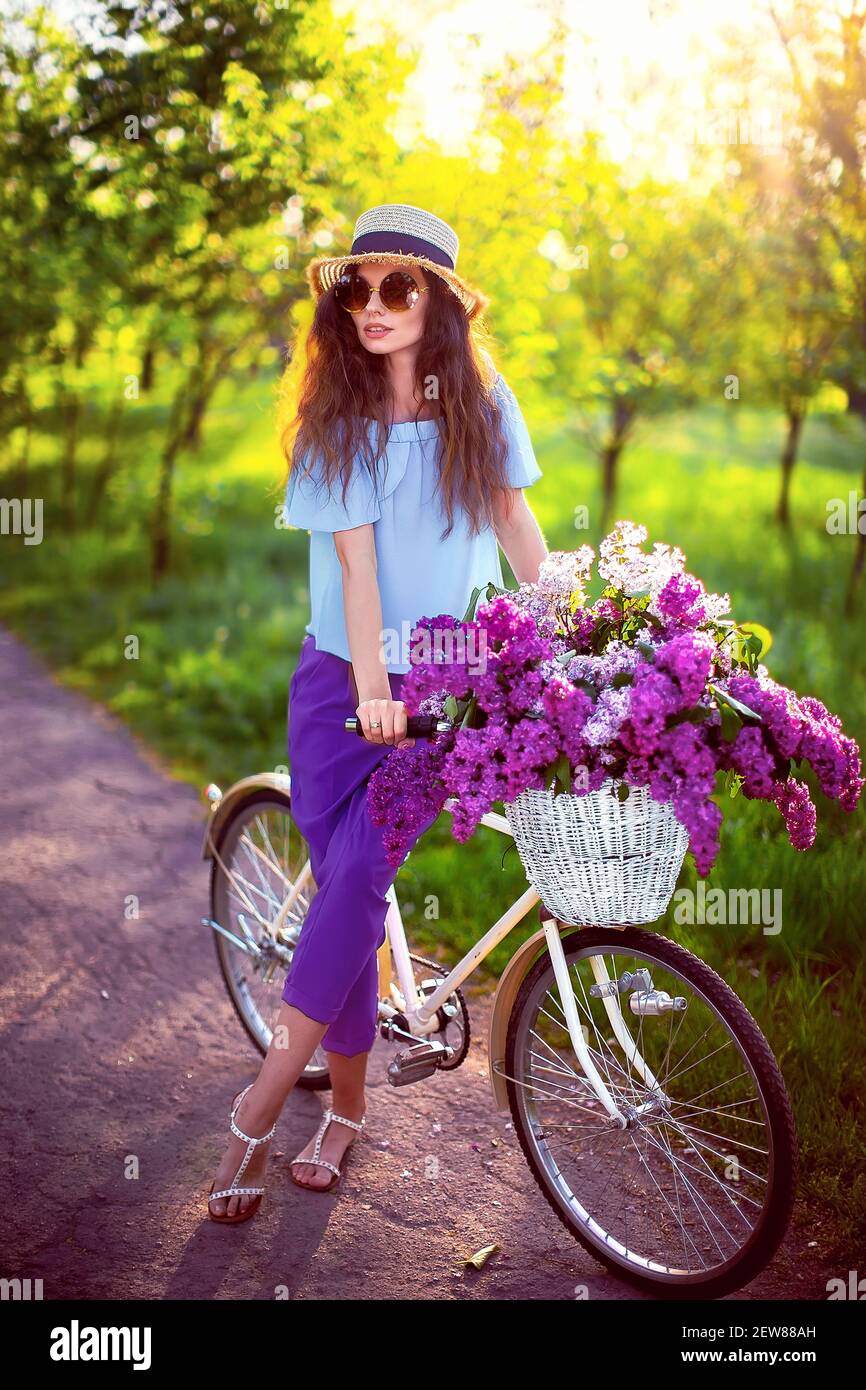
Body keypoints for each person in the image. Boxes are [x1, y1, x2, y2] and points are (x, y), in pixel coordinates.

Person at [207, 202, 548, 1222]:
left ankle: (258, 1108)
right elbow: (357, 577)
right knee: (347, 901)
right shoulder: (335, 419)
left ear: (439, 302)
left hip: (445, 682)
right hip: (339, 688)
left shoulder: (481, 409)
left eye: (397, 286)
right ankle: (345, 1108)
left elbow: (518, 530)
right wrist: (368, 694)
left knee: (354, 876)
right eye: (354, 286)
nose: (371, 305)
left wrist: (582, 632)